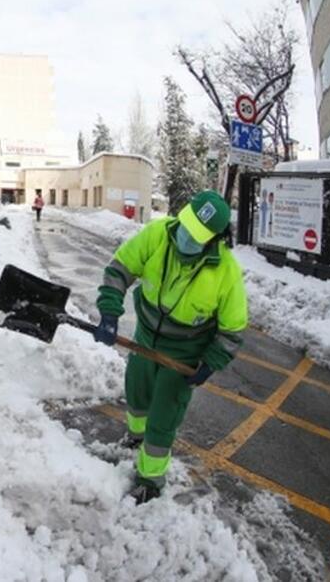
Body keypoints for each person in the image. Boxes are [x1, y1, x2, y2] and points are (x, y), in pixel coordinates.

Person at [93, 190, 248, 504]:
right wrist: (109, 312)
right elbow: (120, 269)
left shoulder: (226, 272)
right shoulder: (157, 235)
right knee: (136, 391)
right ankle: (135, 438)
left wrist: (211, 361)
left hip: (185, 351)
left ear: (215, 239)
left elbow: (232, 328)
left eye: (197, 234)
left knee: (164, 413)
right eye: (186, 225)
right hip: (146, 336)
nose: (187, 236)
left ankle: (150, 479)